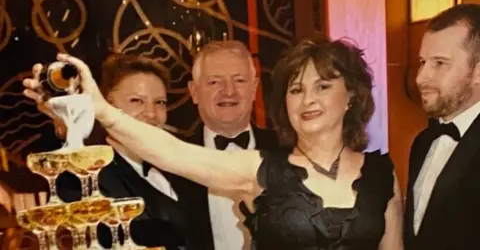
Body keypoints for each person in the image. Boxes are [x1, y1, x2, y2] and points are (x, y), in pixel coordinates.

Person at [23, 35, 404, 250]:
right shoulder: (260, 168)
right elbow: (171, 151)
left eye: (323, 86)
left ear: (350, 95)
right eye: (296, 89)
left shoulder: (381, 176)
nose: (308, 100)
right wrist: (101, 110)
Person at [33, 54, 204, 249]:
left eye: (160, 102)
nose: (151, 113)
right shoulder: (82, 177)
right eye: (136, 101)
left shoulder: (178, 166)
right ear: (106, 104)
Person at [185, 40, 279, 250]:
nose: (229, 91)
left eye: (239, 80)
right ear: (194, 91)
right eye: (214, 82)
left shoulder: (288, 152)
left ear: (254, 88)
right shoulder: (172, 161)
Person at [404, 3, 480, 250]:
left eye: (439, 63)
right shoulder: (423, 141)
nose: (420, 77)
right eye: (422, 62)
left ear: (478, 71)